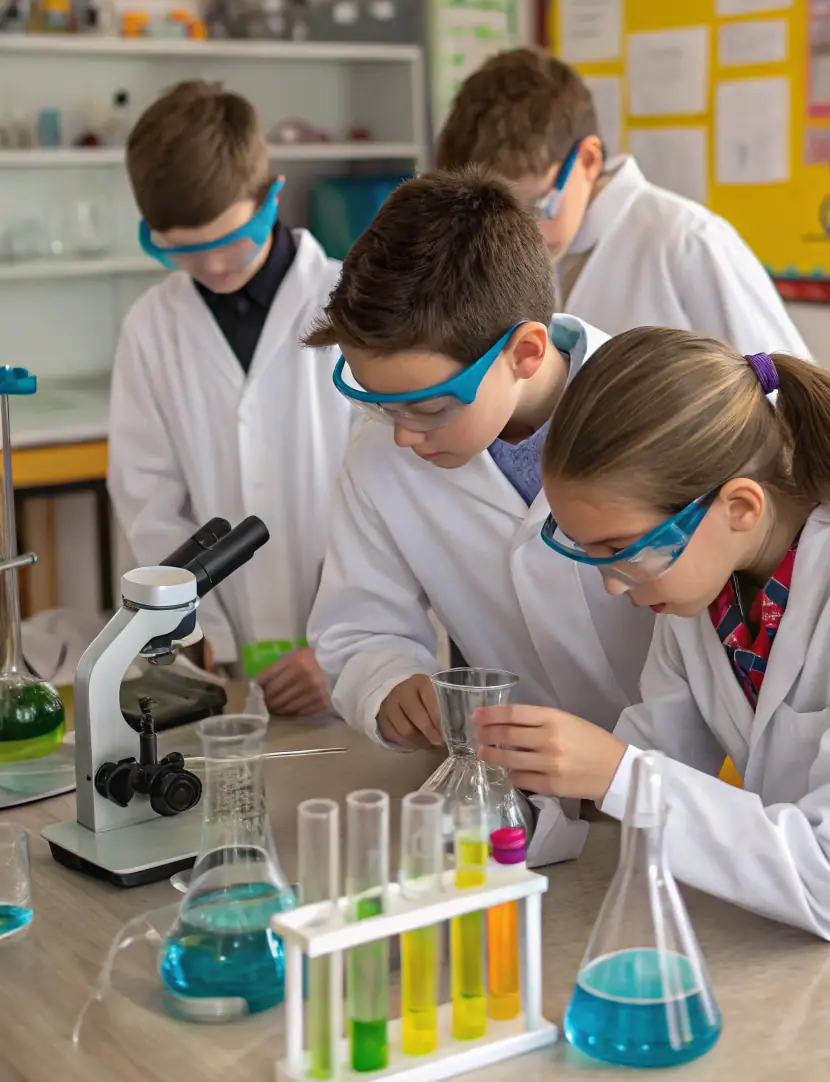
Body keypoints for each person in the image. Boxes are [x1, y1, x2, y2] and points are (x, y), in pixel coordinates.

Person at [473, 328, 830, 1039]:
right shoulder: (702, 593)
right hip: (804, 972)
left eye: (623, 550)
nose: (612, 583)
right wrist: (523, 791)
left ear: (739, 507)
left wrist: (616, 772)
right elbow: (653, 768)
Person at [305, 170, 655, 862]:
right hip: (514, 801)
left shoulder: (653, 413)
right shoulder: (383, 451)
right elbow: (359, 624)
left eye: (429, 406)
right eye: (379, 402)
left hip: (670, 792)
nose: (404, 433)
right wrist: (389, 682)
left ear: (525, 352)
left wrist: (636, 766)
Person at [108, 82, 352, 716]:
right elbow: (149, 498)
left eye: (231, 240)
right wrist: (191, 625)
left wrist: (347, 641)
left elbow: (396, 494)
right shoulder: (150, 327)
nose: (215, 266)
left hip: (355, 662)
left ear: (271, 197)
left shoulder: (356, 305)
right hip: (224, 661)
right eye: (185, 250)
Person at [435, 47, 810, 358]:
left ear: (588, 161)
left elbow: (791, 399)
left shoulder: (686, 242)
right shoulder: (526, 249)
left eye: (534, 207)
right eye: (493, 213)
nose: (516, 233)